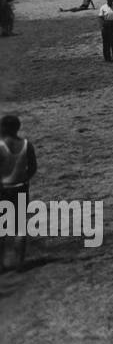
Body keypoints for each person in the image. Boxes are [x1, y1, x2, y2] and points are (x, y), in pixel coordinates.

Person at [0, 114, 38, 272]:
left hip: (3, 189)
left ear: (4, 128)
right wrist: (24, 179)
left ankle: (1, 265)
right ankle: (20, 264)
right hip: (21, 187)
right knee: (20, 228)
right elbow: (33, 168)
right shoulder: (27, 145)